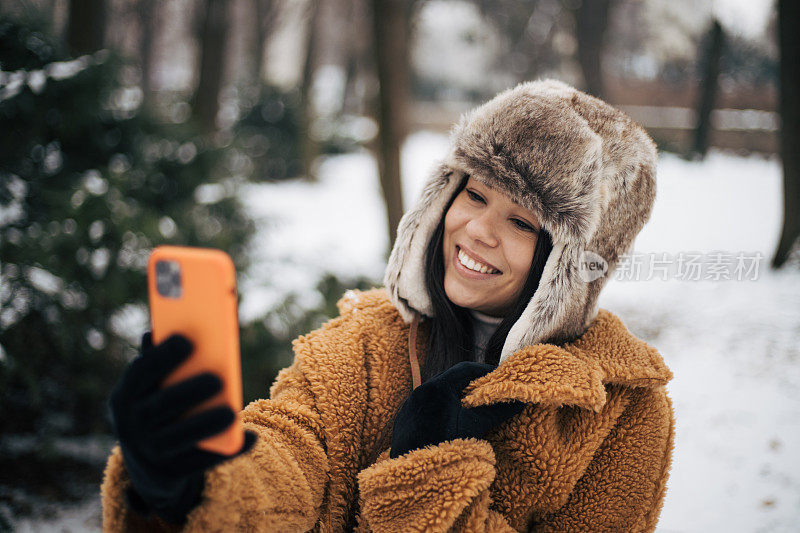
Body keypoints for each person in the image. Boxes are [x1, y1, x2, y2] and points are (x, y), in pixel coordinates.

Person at [101, 79, 675, 532]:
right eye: (474, 194)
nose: (476, 230)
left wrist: (431, 476)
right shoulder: (366, 340)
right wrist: (189, 481)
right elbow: (291, 456)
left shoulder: (620, 415)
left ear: (572, 265)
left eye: (522, 222)